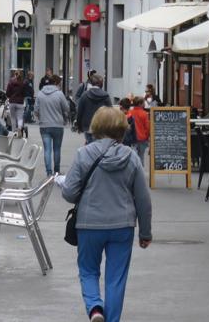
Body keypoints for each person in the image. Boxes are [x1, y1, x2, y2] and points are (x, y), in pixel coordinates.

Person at [59, 107, 152, 322]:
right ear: (122, 129)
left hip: (89, 224)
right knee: (116, 278)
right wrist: (145, 232)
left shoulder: (84, 154)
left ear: (96, 127)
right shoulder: (131, 157)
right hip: (122, 225)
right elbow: (143, 199)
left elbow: (70, 192)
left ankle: (95, 308)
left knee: (88, 270)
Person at [35, 74, 70, 176]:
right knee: (57, 149)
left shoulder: (40, 94)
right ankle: (57, 171)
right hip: (58, 125)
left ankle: (49, 172)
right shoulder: (59, 94)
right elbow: (66, 108)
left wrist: (41, 117)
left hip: (44, 126)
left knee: (47, 149)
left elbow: (36, 110)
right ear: (55, 83)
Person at [75, 74, 112, 144]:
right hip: (101, 126)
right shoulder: (105, 96)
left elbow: (80, 111)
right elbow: (110, 112)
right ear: (101, 84)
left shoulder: (85, 95)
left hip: (87, 126)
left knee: (90, 145)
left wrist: (79, 126)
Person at [128, 96, 149, 163]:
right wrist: (147, 136)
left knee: (133, 157)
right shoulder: (144, 114)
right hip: (142, 138)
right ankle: (140, 171)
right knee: (141, 156)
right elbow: (147, 127)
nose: (144, 104)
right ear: (140, 104)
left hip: (132, 138)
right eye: (143, 103)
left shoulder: (130, 112)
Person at [6, 70, 27, 136]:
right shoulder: (23, 83)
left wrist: (10, 96)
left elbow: (7, 93)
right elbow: (25, 93)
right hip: (20, 102)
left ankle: (14, 131)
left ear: (14, 75)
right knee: (20, 117)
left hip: (12, 102)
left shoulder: (10, 82)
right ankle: (20, 129)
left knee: (13, 117)